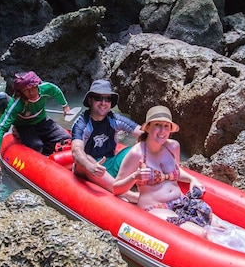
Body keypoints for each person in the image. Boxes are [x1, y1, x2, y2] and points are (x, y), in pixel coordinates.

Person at [113, 105, 214, 237]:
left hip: (180, 201)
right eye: (158, 125)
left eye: (166, 126)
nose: (162, 130)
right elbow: (116, 189)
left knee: (219, 226)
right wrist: (134, 177)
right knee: (202, 234)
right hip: (156, 208)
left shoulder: (173, 146)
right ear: (148, 127)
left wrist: (191, 179)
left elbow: (175, 172)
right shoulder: (136, 153)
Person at [0, 71, 71, 170]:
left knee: (65, 138)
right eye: (26, 90)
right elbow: (1, 127)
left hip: (43, 121)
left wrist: (65, 106)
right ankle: (17, 133)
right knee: (36, 146)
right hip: (24, 126)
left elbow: (56, 91)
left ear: (37, 85)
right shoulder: (16, 104)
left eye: (33, 88)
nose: (31, 93)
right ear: (21, 92)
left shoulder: (46, 87)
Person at [70, 79, 142, 196]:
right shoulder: (82, 124)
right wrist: (90, 166)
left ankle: (152, 185)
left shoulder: (114, 119)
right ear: (90, 100)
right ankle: (128, 194)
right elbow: (76, 151)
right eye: (98, 98)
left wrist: (159, 135)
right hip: (88, 167)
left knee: (141, 147)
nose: (103, 102)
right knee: (87, 158)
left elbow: (141, 132)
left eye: (107, 99)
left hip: (111, 162)